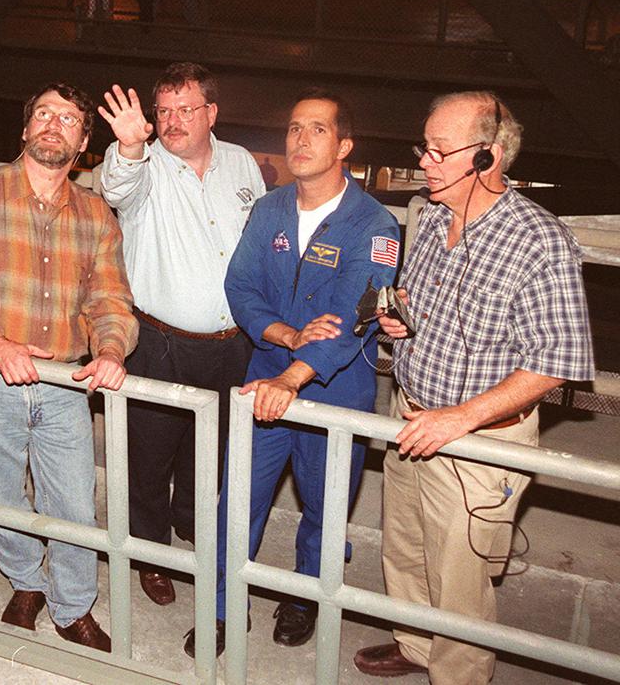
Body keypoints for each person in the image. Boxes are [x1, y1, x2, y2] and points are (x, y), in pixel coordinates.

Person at [354, 92, 593, 684]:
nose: (425, 161)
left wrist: (459, 419)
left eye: (439, 150)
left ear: (487, 158)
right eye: (423, 146)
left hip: (476, 443)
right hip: (409, 417)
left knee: (460, 576)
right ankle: (414, 644)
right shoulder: (431, 215)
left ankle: (458, 675)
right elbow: (425, 305)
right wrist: (400, 318)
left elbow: (555, 361)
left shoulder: (540, 240)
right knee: (405, 549)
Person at [0, 82, 138, 652]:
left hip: (64, 382)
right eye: (43, 113)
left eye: (68, 119)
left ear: (84, 143)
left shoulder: (97, 216)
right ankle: (25, 583)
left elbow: (109, 303)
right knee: (0, 496)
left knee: (72, 503)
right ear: (24, 129)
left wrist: (111, 349)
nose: (53, 124)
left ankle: (72, 606)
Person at [194, 88, 400, 659]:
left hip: (336, 392)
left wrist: (296, 376)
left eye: (316, 129)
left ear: (345, 146)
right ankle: (219, 604)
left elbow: (355, 312)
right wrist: (282, 339)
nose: (300, 139)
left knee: (325, 506)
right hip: (265, 379)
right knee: (237, 499)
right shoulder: (270, 209)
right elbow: (242, 285)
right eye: (293, 128)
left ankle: (306, 596)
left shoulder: (375, 225)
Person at [96, 63, 263, 607]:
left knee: (209, 450)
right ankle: (148, 552)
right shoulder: (145, 166)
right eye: (163, 111)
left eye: (185, 110)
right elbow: (116, 185)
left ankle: (192, 525)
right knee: (147, 454)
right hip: (160, 342)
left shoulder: (241, 163)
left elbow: (262, 241)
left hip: (233, 344)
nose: (172, 122)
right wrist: (127, 145)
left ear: (211, 113)